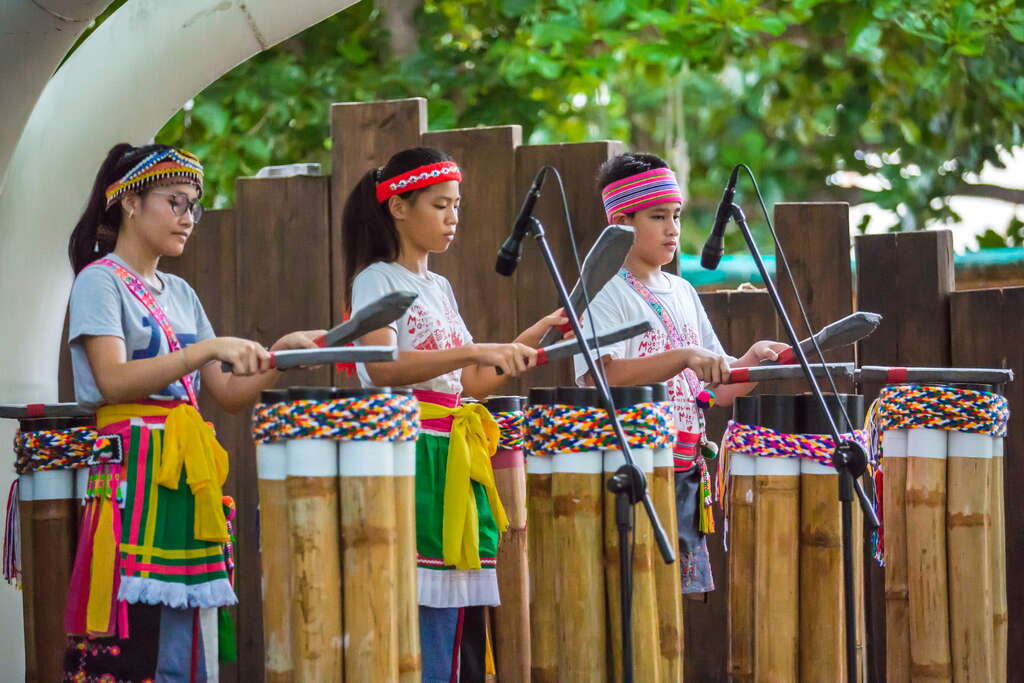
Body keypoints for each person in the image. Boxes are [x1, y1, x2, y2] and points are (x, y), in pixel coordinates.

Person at [63, 143, 323, 681]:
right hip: (133, 478)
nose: (188, 218)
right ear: (130, 202)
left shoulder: (180, 291)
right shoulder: (99, 280)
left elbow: (227, 394)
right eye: (176, 201)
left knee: (187, 636)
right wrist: (203, 349)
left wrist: (280, 355)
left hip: (185, 477)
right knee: (135, 633)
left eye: (194, 206)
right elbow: (111, 380)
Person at [341, 146, 565, 682]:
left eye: (456, 206)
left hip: (452, 452)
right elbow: (384, 365)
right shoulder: (378, 278)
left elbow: (470, 384)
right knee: (421, 606)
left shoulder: (437, 286)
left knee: (456, 612)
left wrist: (531, 339)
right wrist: (474, 351)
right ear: (398, 207)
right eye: (440, 205)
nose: (453, 218)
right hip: (413, 450)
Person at [574, 152, 788, 593]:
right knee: (636, 601)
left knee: (672, 609)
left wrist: (752, 361)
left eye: (676, 215)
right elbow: (602, 376)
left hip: (687, 468)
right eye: (658, 216)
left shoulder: (683, 290)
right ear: (621, 221)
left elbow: (718, 388)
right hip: (633, 470)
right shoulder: (604, 291)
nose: (672, 228)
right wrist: (684, 356)